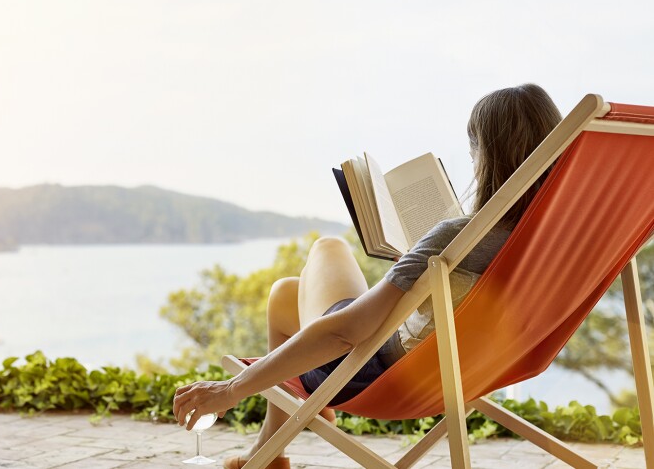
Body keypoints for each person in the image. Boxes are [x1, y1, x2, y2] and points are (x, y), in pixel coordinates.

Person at [172, 83, 563, 469]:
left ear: (486, 157)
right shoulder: (560, 239)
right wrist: (416, 269)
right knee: (287, 294)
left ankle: (295, 421)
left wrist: (231, 390)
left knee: (327, 250)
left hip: (377, 369)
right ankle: (269, 451)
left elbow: (346, 333)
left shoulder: (457, 236)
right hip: (478, 364)